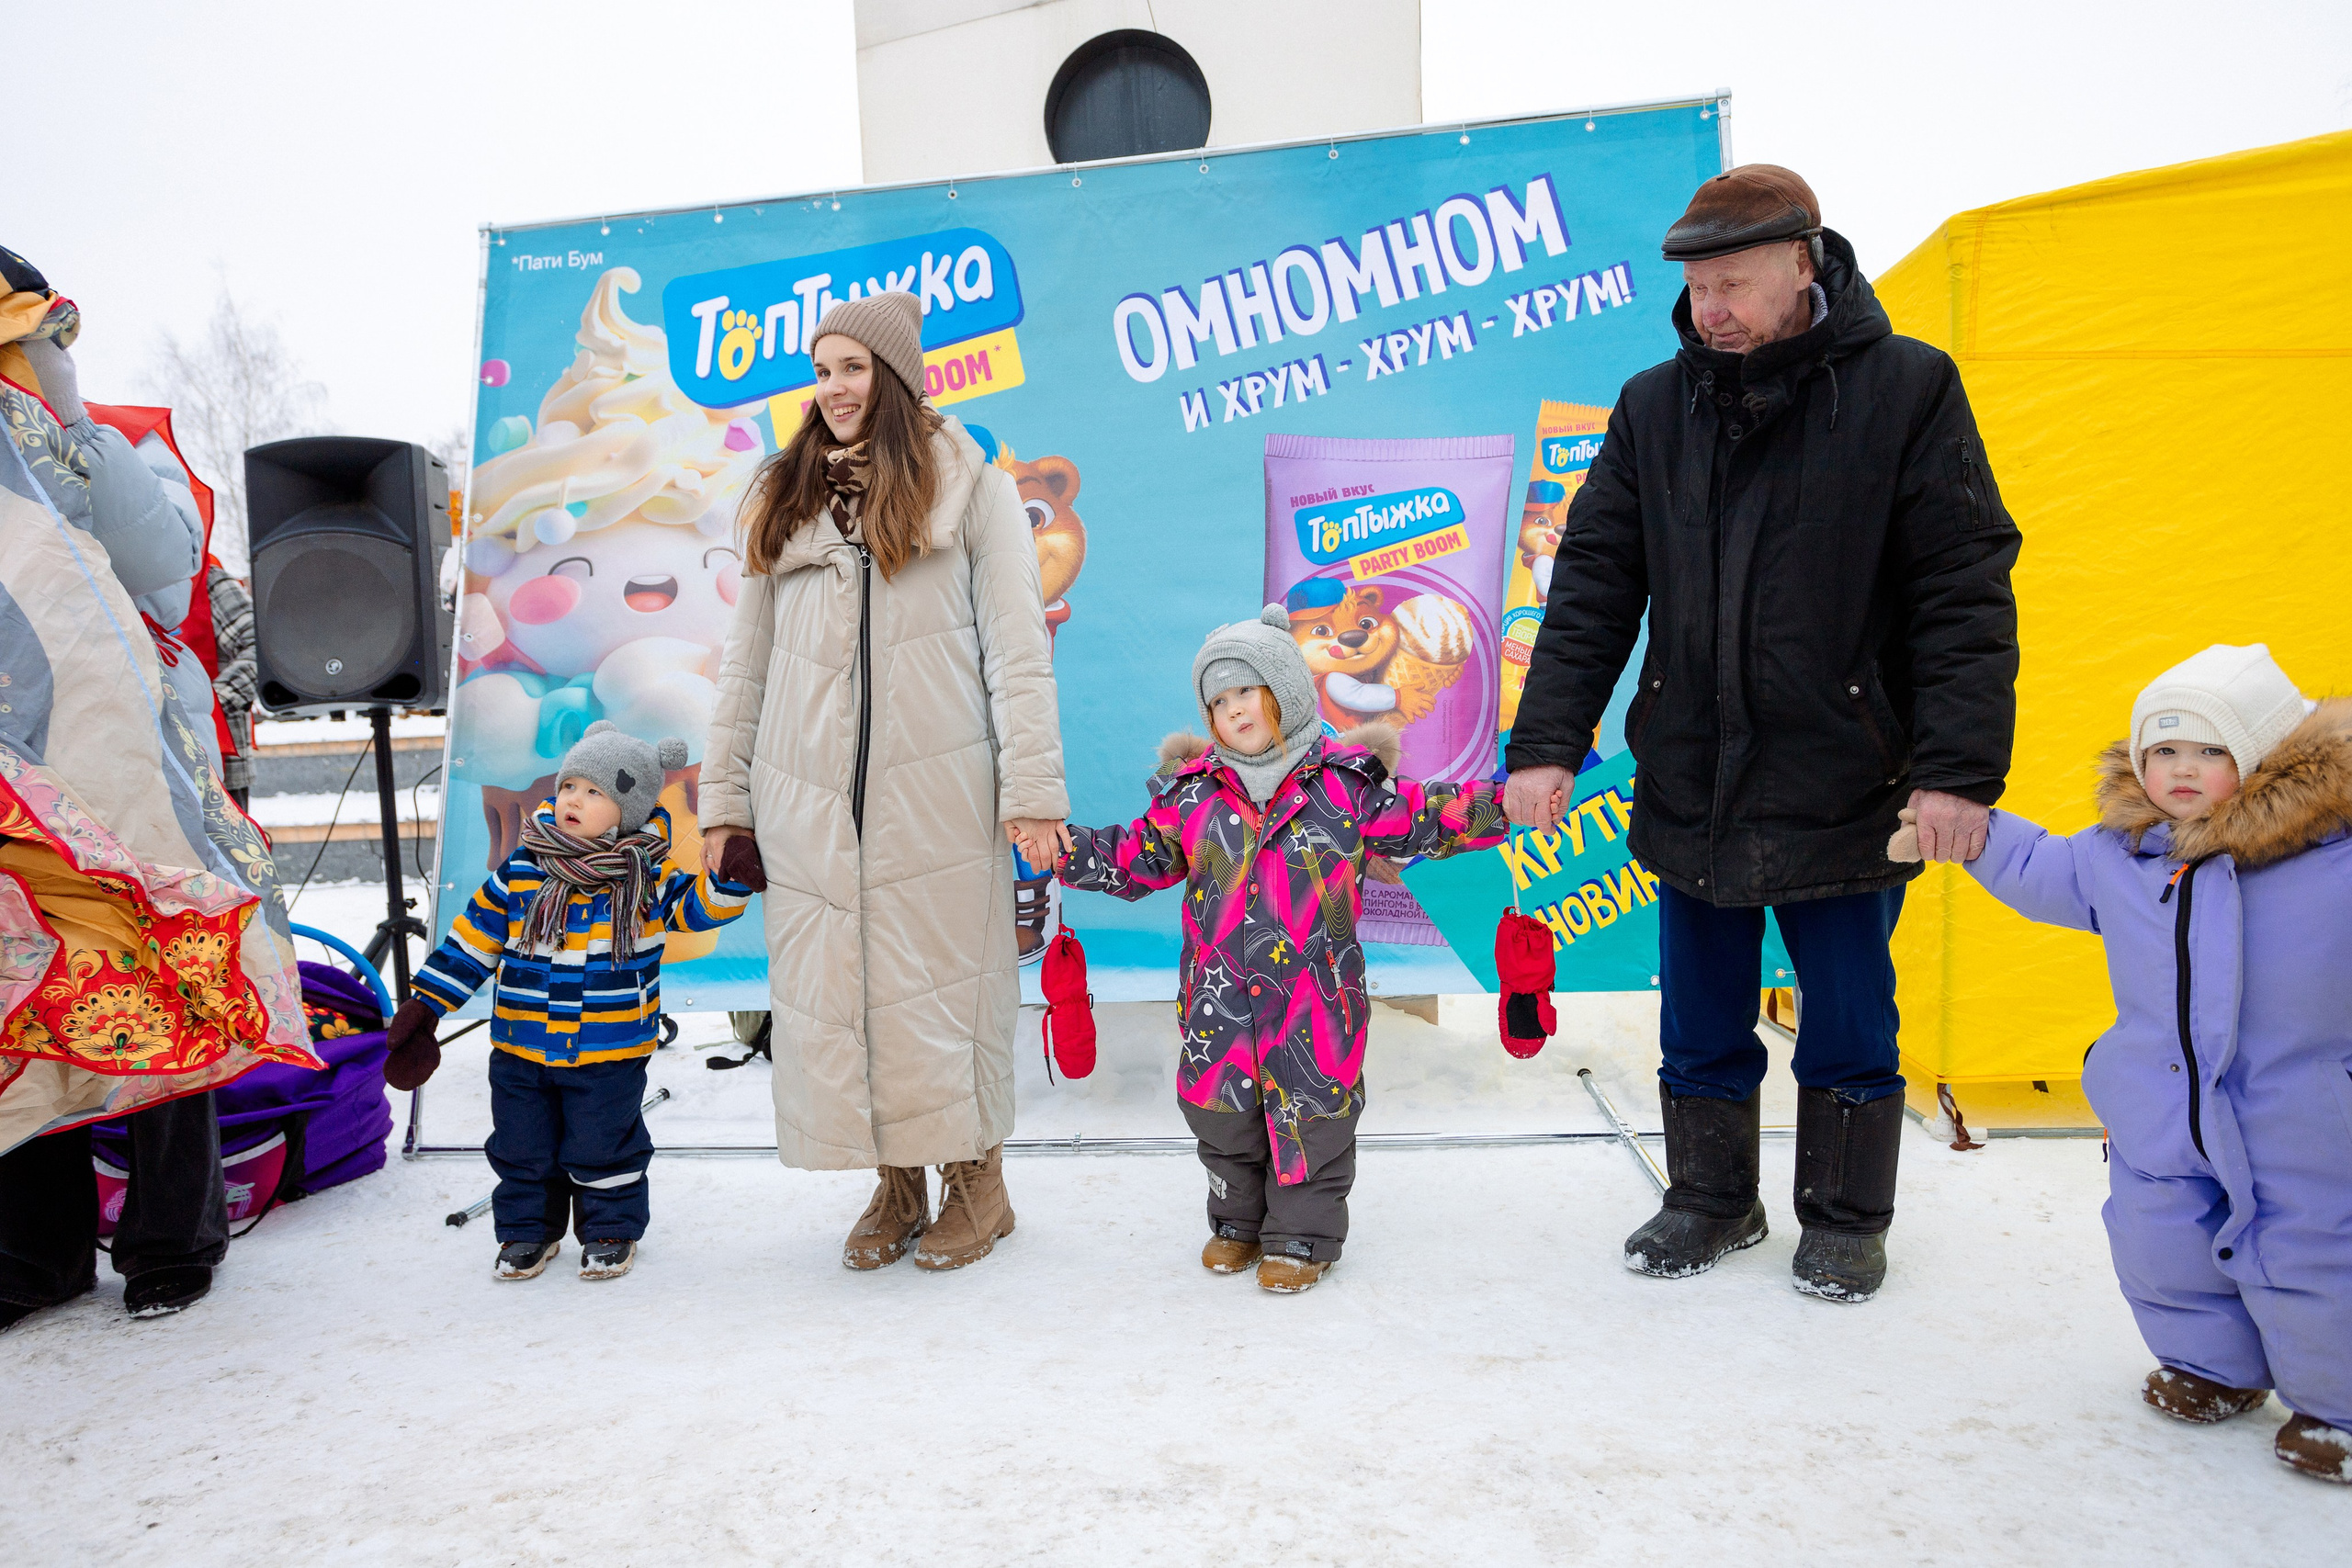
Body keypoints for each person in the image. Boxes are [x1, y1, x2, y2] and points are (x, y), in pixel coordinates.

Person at [1501, 164, 2023, 1303]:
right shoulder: (1653, 406)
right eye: (1697, 287)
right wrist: (1545, 743)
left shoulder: (1907, 390)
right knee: (1696, 1010)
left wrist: (1954, 773)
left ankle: (1843, 1219)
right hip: (1693, 771)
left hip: (1848, 776)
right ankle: (1708, 1199)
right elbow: (1594, 581)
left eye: (1734, 282)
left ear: (1804, 263)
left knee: (1846, 1014)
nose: (1712, 310)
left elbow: (1962, 587)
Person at [1891, 645, 2351, 1483]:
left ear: (2264, 754)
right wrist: (1970, 831)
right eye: (2162, 749)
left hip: (2299, 1107)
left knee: (2313, 1250)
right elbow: (2038, 866)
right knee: (2158, 1238)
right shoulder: (2125, 855)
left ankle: (2339, 1406)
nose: (2180, 770)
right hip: (2159, 1105)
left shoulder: (2330, 859)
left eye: (2210, 750)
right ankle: (2214, 1369)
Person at [698, 292, 1066, 1274]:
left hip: (937, 791)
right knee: (847, 995)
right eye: (821, 371)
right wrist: (727, 808)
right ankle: (897, 1179)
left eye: (852, 368)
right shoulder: (787, 496)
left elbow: (1017, 652)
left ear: (895, 376)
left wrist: (1031, 792)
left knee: (941, 988)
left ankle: (976, 1183)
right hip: (808, 796)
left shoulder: (971, 488)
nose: (834, 389)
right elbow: (746, 664)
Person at [3, 248, 310, 1327]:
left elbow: (162, 569)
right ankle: (37, 1250)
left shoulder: (112, 442)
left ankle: (173, 1236)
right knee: (25, 989)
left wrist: (63, 410)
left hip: (126, 757)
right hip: (14, 765)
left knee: (158, 963)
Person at [1046, 607, 1510, 1292]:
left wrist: (1505, 806)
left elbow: (1428, 813)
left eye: (1245, 691)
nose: (1232, 709)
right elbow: (1136, 856)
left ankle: (1302, 1235)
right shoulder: (1191, 794)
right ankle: (1236, 1222)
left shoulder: (1344, 788)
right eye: (1218, 699)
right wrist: (1060, 850)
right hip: (1219, 1006)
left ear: (1286, 693)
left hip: (1313, 1008)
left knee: (1312, 1115)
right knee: (1222, 1117)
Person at [382, 722, 753, 1282]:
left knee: (605, 1146)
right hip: (520, 1046)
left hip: (610, 1049)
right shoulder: (523, 870)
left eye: (594, 791)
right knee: (520, 1146)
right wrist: (427, 1006)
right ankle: (527, 1232)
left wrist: (728, 882)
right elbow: (473, 940)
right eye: (570, 786)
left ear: (627, 809)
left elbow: (695, 910)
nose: (574, 799)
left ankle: (609, 1230)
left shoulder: (646, 879)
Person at [208, 561, 259, 810]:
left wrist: (207, 707)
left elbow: (258, 649)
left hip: (221, 760)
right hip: (148, 764)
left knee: (228, 849)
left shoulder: (208, 580)